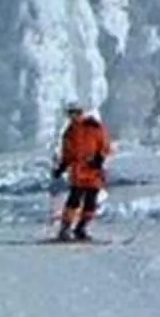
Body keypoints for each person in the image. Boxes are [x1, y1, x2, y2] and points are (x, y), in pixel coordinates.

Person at [52, 103, 112, 242]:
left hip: (93, 171)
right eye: (70, 114)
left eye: (75, 113)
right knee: (74, 200)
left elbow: (105, 144)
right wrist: (62, 167)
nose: (73, 116)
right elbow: (67, 153)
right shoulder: (69, 133)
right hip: (78, 172)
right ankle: (65, 228)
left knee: (90, 202)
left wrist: (100, 158)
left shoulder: (94, 127)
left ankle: (81, 228)